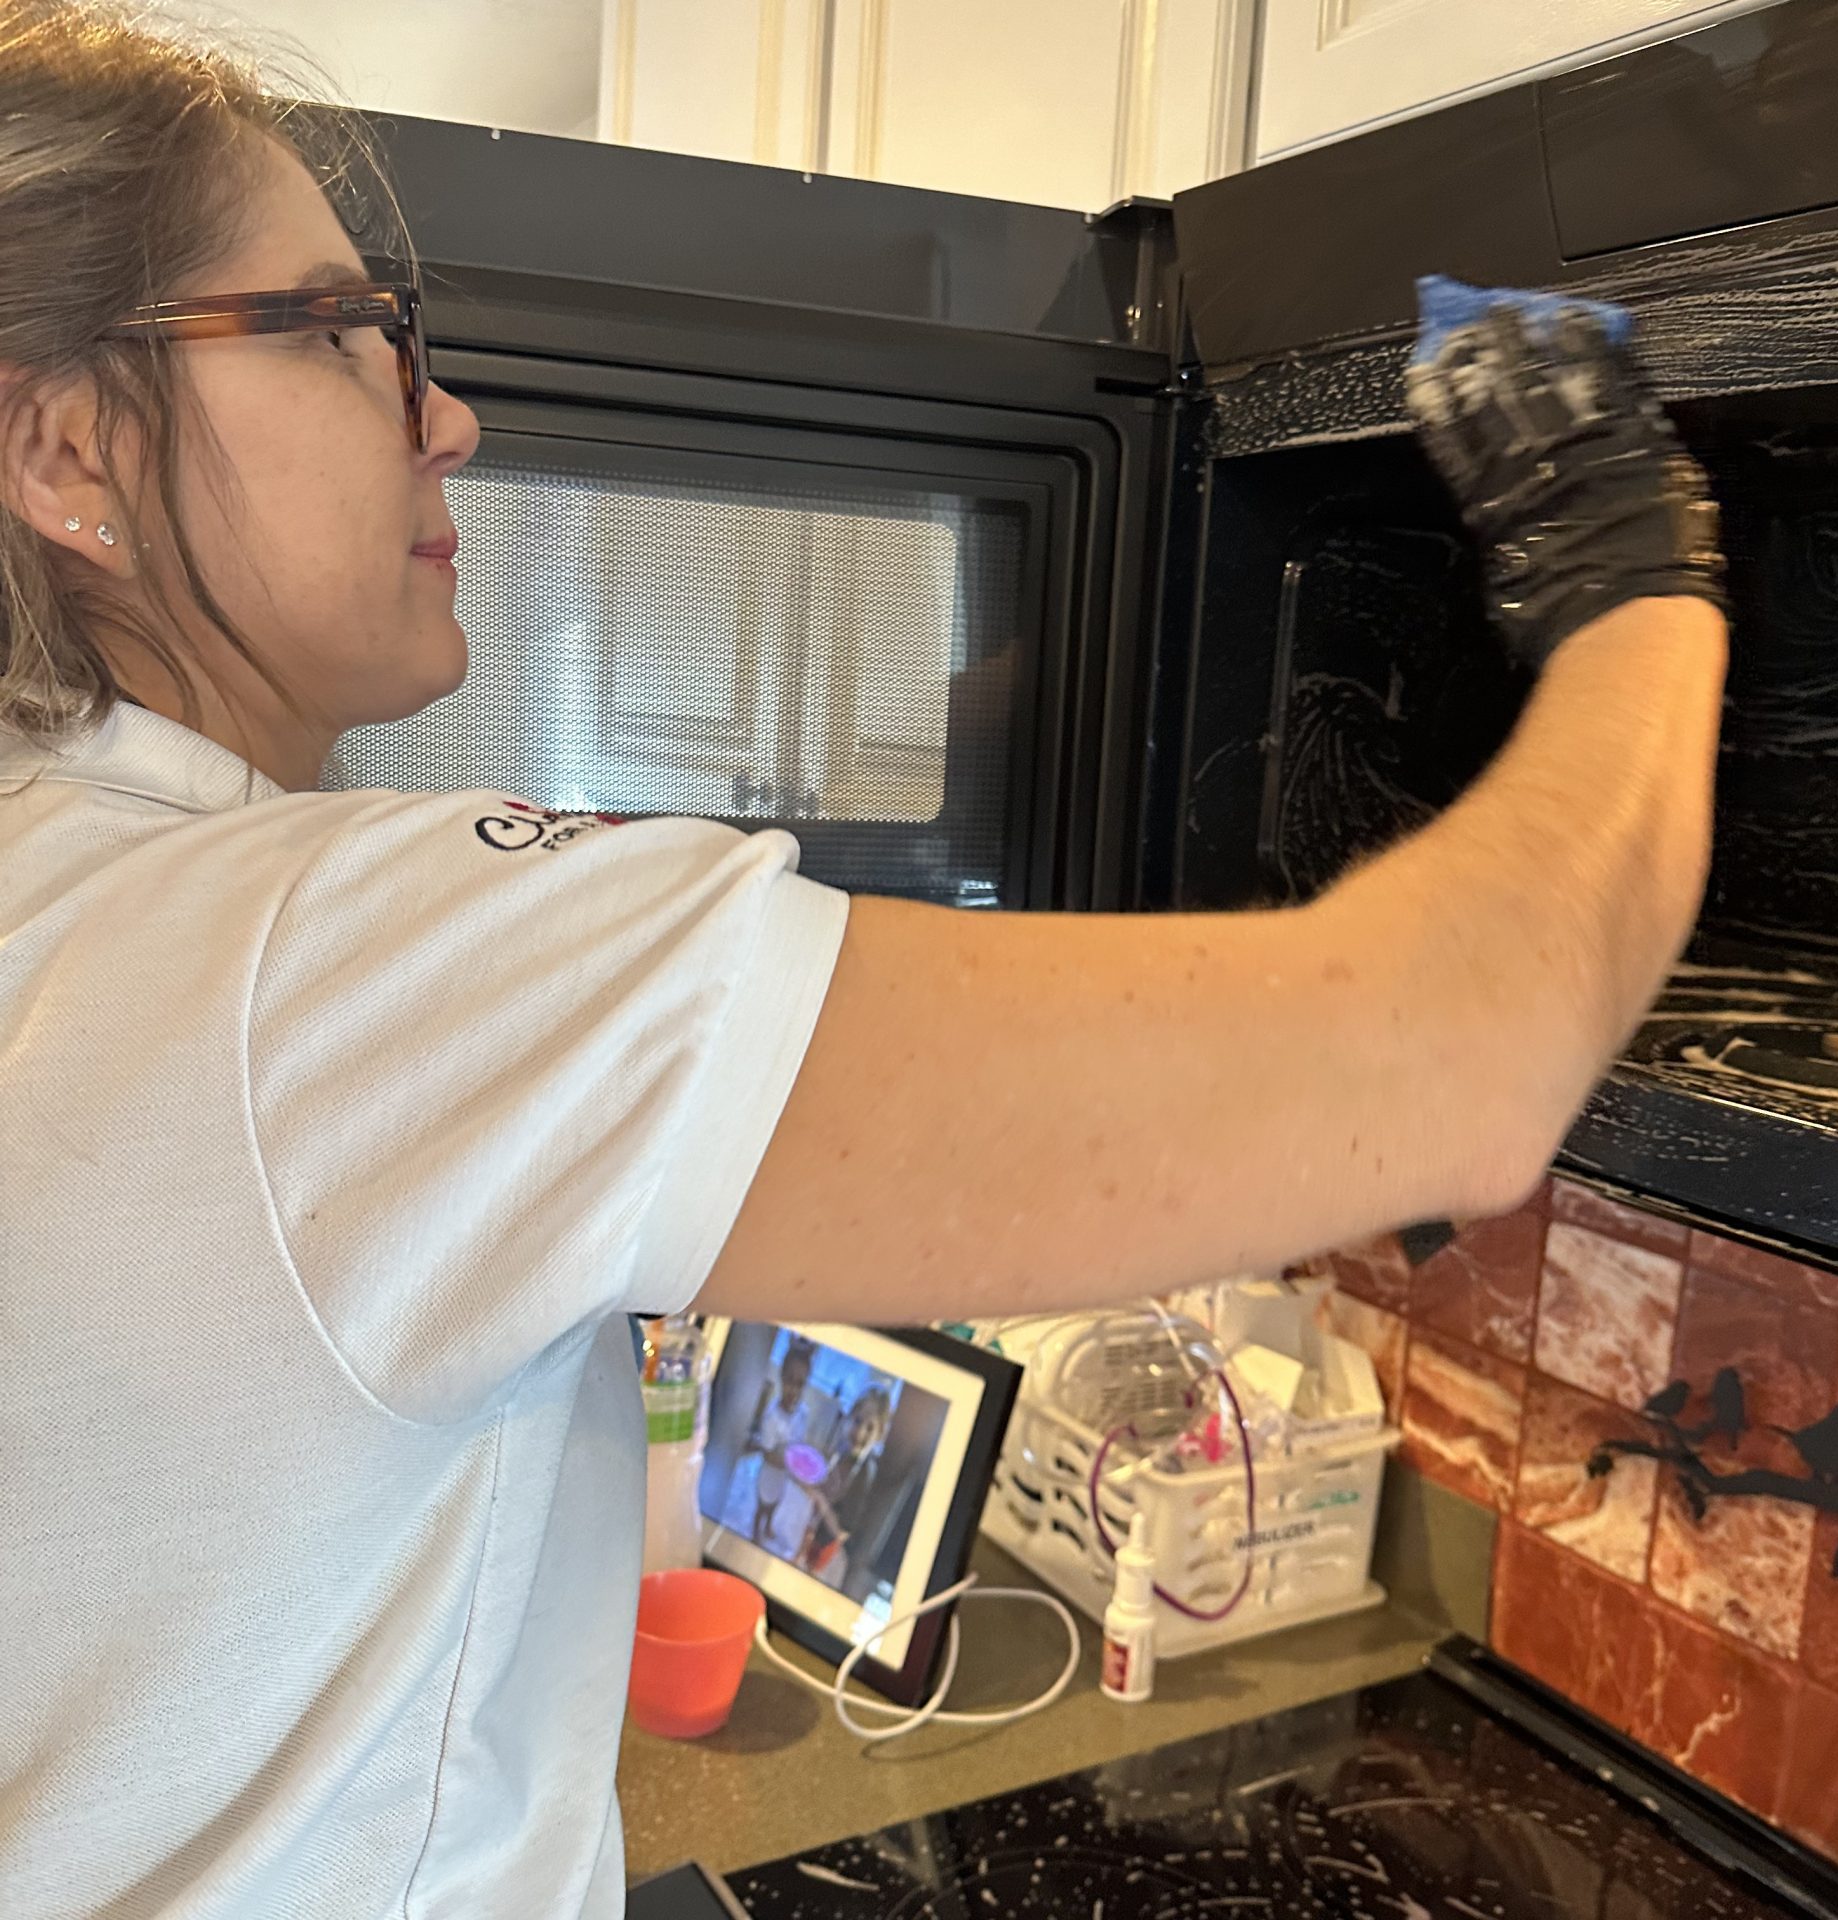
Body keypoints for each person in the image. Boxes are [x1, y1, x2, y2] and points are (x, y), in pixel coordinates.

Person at [0, 6, 1729, 1918]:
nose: (446, 416)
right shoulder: (325, 970)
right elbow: (1462, 1064)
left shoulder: (76, 906)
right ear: (73, 451)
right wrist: (1631, 576)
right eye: (338, 331)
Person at [798, 1386, 893, 1584]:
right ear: (850, 1417)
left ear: (880, 1434)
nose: (859, 1433)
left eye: (869, 1427)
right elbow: (829, 1483)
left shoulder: (865, 1475)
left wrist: (819, 1499)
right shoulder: (843, 1450)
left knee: (809, 1576)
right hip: (814, 1527)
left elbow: (842, 1533)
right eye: (858, 1421)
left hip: (827, 1541)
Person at [743, 1336, 817, 1548]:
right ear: (781, 1378)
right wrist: (789, 1463)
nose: (793, 1389)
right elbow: (766, 1453)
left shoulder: (803, 1413)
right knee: (763, 1503)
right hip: (769, 1471)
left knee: (776, 1501)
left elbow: (800, 1442)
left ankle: (769, 1525)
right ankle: (757, 1528)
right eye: (789, 1381)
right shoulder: (771, 1417)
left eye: (800, 1384)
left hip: (783, 1475)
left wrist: (803, 1462)